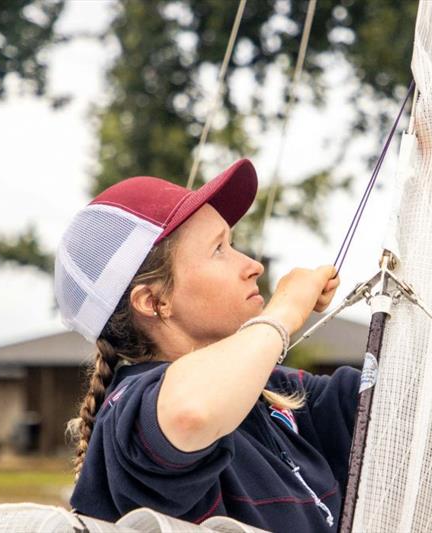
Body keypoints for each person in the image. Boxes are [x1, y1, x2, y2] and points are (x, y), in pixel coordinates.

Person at [58, 159, 360, 531]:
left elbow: (405, 398)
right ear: (153, 302)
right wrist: (283, 314)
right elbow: (190, 413)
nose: (253, 266)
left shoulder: (277, 392)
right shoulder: (131, 411)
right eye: (219, 249)